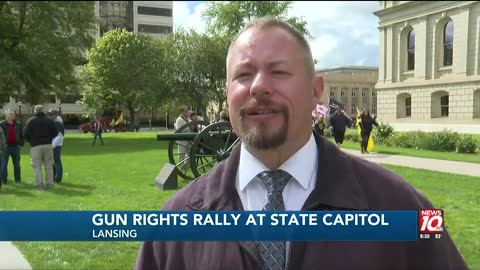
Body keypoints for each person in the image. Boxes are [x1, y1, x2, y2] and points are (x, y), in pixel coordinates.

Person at [135, 17, 467, 270]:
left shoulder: (405, 207)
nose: (259, 87)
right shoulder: (173, 223)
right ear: (227, 93)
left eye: (278, 72)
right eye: (244, 74)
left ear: (315, 91)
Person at [23, 105, 57, 190]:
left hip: (35, 145)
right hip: (48, 144)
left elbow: (25, 134)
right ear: (43, 110)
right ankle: (50, 184)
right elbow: (55, 132)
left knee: (37, 166)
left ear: (35, 111)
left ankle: (40, 185)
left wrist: (30, 141)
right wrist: (49, 139)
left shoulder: (31, 121)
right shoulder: (49, 120)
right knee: (49, 165)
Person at [0, 109, 24, 184]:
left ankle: (17, 180)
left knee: (17, 164)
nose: (12, 115)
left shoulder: (18, 124)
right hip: (5, 147)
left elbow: (22, 134)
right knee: (3, 164)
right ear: (6, 115)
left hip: (16, 147)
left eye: (13, 114)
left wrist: (21, 143)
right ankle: (4, 181)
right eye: (10, 114)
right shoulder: (1, 124)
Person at [49, 109, 64, 183]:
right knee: (53, 162)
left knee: (57, 162)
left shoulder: (58, 123)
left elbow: (60, 136)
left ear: (55, 115)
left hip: (56, 145)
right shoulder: (54, 122)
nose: (49, 116)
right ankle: (53, 178)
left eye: (50, 114)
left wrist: (52, 145)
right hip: (54, 144)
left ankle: (58, 179)